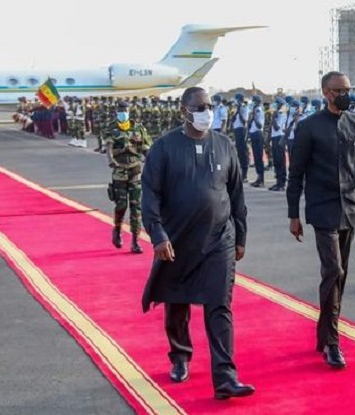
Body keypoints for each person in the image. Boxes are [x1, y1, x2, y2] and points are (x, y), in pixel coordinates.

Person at [140, 87, 255, 400]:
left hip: (220, 240)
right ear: (183, 111)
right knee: (177, 302)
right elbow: (149, 195)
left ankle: (226, 378)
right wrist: (158, 235)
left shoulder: (225, 144)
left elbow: (236, 195)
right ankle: (180, 356)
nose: (207, 112)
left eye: (210, 106)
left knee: (220, 305)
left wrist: (240, 236)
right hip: (177, 240)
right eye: (200, 107)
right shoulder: (164, 147)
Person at [287, 71, 355, 369]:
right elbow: (296, 175)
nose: (346, 94)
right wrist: (293, 214)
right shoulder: (308, 128)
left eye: (348, 89)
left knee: (340, 275)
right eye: (339, 90)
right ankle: (333, 342)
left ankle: (324, 331)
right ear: (325, 93)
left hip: (350, 208)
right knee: (333, 269)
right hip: (322, 209)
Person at [105, 100, 153, 254]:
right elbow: (109, 147)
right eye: (120, 110)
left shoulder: (138, 128)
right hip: (119, 171)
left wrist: (153, 162)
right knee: (121, 206)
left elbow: (146, 147)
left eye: (125, 110)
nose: (123, 113)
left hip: (135, 171)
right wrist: (111, 161)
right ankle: (117, 229)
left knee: (136, 207)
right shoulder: (112, 128)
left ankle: (135, 241)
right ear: (116, 111)